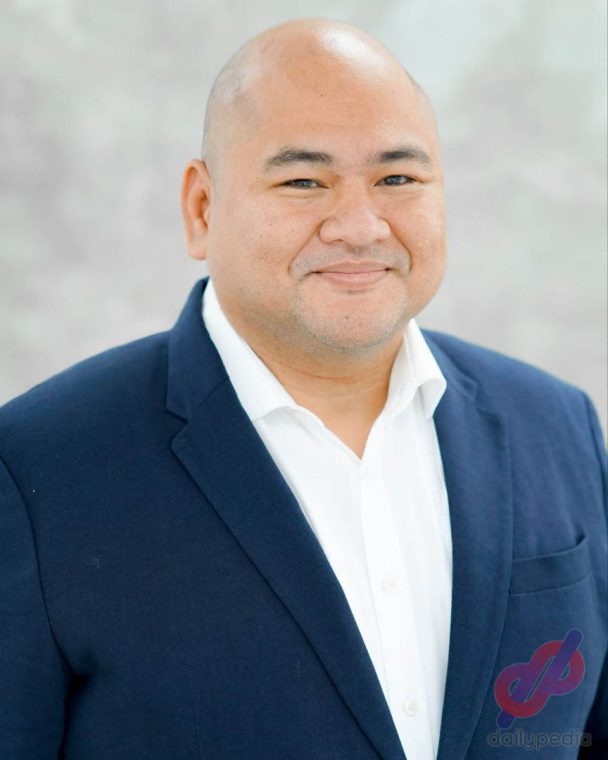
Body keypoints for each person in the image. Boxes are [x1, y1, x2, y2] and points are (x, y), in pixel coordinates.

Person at [0, 17, 606, 760]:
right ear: (202, 208)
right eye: (303, 181)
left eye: (397, 178)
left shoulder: (558, 426)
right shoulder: (36, 468)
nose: (360, 226)